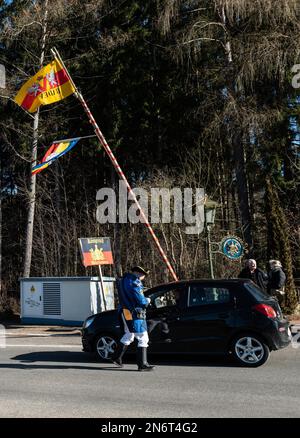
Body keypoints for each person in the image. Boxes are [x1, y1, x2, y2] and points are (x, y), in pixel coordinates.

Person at [111, 266, 155, 371]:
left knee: (129, 334)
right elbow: (140, 300)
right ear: (140, 273)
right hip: (134, 312)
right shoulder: (135, 282)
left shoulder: (124, 280)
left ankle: (116, 357)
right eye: (144, 275)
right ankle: (142, 364)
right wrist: (147, 301)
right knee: (143, 337)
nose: (144, 277)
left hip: (125, 311)